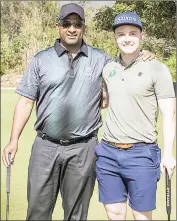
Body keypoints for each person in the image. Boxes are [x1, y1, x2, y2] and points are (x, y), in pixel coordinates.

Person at [2, 4, 154, 220]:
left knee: (76, 215)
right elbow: (26, 102)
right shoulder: (40, 59)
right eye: (66, 23)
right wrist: (13, 140)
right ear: (58, 26)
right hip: (45, 148)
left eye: (77, 24)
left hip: (84, 149)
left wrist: (142, 53)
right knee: (37, 212)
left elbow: (125, 65)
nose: (72, 28)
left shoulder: (101, 59)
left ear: (84, 27)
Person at [95, 11, 176, 220]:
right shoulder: (108, 68)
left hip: (142, 153)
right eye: (121, 34)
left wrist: (168, 154)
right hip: (108, 152)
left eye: (132, 33)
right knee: (114, 212)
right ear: (115, 38)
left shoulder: (157, 69)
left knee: (141, 215)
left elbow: (169, 113)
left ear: (142, 36)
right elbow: (105, 102)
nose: (127, 38)